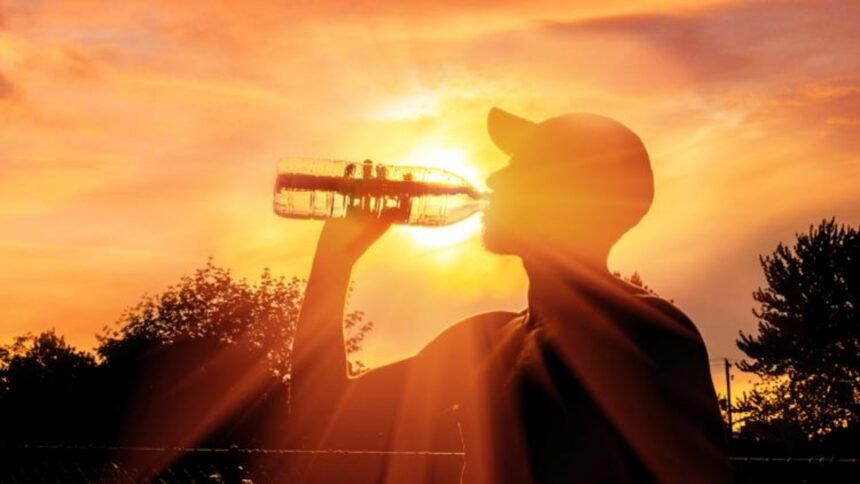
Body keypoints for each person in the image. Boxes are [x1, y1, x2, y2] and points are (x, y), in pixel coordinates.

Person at [285, 107, 731, 483]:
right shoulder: (489, 339)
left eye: (523, 168)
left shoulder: (647, 332)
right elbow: (323, 413)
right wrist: (335, 257)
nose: (496, 178)